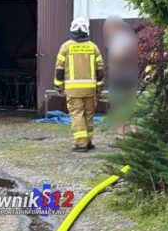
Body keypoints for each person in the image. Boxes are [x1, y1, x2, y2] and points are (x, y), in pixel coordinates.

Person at [54, 17, 105, 152]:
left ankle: (81, 144)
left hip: (73, 90)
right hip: (90, 89)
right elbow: (100, 69)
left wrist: (58, 86)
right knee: (89, 114)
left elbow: (59, 69)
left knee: (77, 114)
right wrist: (99, 86)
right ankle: (88, 142)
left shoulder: (66, 47)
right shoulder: (93, 47)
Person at [102, 16, 139, 136]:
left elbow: (119, 55)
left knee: (119, 105)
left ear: (114, 27)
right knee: (129, 104)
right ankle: (128, 133)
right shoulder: (131, 38)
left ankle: (125, 134)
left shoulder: (119, 38)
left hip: (120, 76)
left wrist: (117, 64)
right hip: (131, 76)